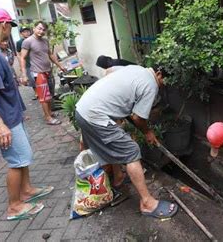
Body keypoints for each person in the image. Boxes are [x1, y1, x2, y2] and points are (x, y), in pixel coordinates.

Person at [0, 8, 53, 220]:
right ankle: (14, 206)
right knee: (17, 160)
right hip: (4, 118)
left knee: (23, 156)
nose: (9, 31)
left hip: (10, 114)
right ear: (4, 24)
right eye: (10, 27)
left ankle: (26, 190)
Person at [75, 65, 178, 219]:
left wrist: (117, 107)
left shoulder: (136, 68)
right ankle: (147, 203)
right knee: (131, 151)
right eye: (165, 80)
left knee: (114, 145)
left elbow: (109, 71)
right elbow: (138, 118)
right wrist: (148, 132)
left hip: (82, 110)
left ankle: (118, 179)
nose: (164, 85)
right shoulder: (151, 85)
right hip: (95, 115)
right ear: (158, 74)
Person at [20, 21, 67, 125]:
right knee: (44, 97)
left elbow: (50, 55)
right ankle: (47, 117)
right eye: (39, 28)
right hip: (38, 73)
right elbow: (22, 58)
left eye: (43, 30)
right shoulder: (28, 41)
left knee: (50, 94)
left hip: (48, 71)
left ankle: (50, 112)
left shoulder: (45, 41)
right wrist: (24, 74)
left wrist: (60, 66)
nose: (41, 31)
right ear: (34, 28)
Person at [16, 26, 36, 98]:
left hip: (36, 63)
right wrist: (21, 66)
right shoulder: (19, 42)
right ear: (21, 33)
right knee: (31, 80)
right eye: (24, 32)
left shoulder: (33, 40)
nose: (27, 33)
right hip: (27, 63)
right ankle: (36, 93)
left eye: (28, 31)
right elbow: (18, 54)